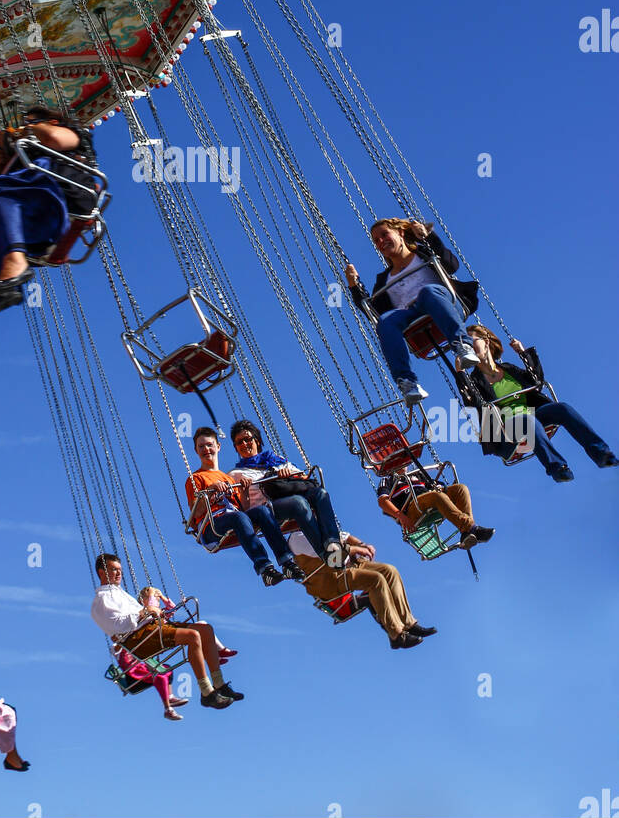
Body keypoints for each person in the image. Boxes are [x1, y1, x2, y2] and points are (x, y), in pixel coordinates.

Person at [0, 104, 98, 320]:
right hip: (32, 216)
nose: (23, 128)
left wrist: (29, 129)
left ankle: (15, 261)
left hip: (61, 192)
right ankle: (2, 286)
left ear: (51, 122)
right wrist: (0, 159)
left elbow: (56, 139)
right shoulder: (19, 165)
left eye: (29, 122)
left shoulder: (70, 136)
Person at [455, 325, 618, 482]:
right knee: (528, 421)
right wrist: (461, 374)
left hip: (532, 417)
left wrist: (523, 353)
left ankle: (602, 454)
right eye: (465, 344)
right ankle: (557, 468)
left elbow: (537, 382)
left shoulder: (508, 369)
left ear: (486, 341)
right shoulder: (474, 381)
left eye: (471, 340)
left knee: (562, 408)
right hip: (504, 430)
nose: (468, 346)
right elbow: (474, 404)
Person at [345, 218, 479, 405]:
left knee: (428, 291)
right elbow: (372, 313)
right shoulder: (384, 281)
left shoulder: (423, 254)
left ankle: (462, 345)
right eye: (376, 240)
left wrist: (428, 236)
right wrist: (354, 287)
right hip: (411, 320)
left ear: (400, 233)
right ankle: (407, 382)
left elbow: (451, 265)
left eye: (384, 235)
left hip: (441, 303)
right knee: (385, 321)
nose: (381, 241)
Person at [91, 554, 242, 710]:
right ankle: (206, 692)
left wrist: (156, 611)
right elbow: (116, 626)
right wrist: (143, 612)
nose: (118, 573)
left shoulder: (119, 593)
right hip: (139, 638)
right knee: (193, 636)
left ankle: (219, 684)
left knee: (205, 630)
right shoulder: (101, 600)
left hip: (153, 629)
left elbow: (142, 614)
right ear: (102, 572)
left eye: (119, 570)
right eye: (113, 570)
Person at [186, 429, 305, 586]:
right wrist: (211, 490)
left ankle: (287, 561)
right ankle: (264, 568)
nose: (206, 449)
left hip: (234, 517)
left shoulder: (228, 478)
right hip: (211, 526)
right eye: (201, 446)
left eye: (210, 445)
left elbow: (245, 510)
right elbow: (197, 511)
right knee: (238, 517)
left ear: (218, 446)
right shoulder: (195, 478)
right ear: (196, 450)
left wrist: (244, 491)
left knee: (262, 511)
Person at [287, 529, 437, 650]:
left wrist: (363, 544)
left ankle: (409, 623)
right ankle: (397, 635)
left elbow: (344, 536)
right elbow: (330, 551)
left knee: (389, 570)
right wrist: (356, 549)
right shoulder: (298, 537)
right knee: (375, 580)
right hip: (331, 577)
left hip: (348, 565)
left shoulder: (319, 524)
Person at [227, 418, 344, 569]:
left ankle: (332, 542)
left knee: (320, 493)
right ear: (236, 448)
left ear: (257, 440)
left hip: (290, 494)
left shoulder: (276, 460)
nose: (244, 444)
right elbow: (245, 511)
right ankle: (327, 555)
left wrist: (287, 473)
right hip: (269, 509)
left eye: (247, 439)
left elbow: (303, 479)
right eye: (239, 442)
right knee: (298, 503)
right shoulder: (236, 474)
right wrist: (244, 490)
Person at [376, 462, 494, 550]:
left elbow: (436, 486)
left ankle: (467, 532)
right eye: (398, 460)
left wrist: (444, 489)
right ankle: (472, 529)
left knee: (461, 489)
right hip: (413, 508)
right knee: (436, 496)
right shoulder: (388, 480)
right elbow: (382, 501)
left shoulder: (417, 475)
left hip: (430, 499)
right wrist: (401, 517)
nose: (403, 463)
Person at [114, 648, 190, 721]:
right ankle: (168, 709)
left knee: (166, 668)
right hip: (134, 679)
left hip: (141, 671)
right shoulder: (117, 648)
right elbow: (118, 647)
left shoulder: (132, 645)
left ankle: (170, 697)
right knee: (160, 677)